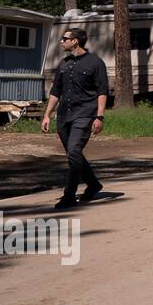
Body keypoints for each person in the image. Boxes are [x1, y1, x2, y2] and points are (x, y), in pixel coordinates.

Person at [41, 27, 109, 210]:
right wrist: (47, 115)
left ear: (75, 41)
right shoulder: (64, 63)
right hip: (64, 116)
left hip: (85, 114)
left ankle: (69, 195)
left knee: (73, 152)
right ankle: (94, 184)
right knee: (74, 154)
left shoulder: (96, 63)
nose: (61, 41)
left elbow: (102, 92)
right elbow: (56, 91)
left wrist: (99, 116)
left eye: (65, 38)